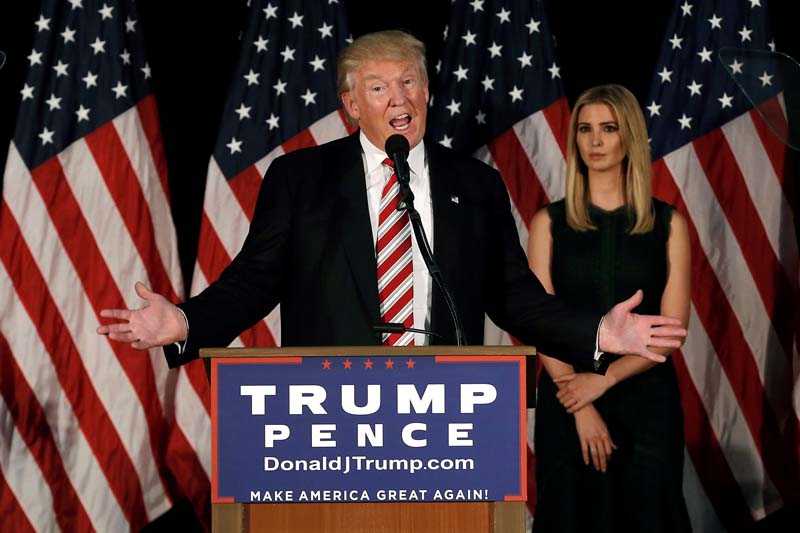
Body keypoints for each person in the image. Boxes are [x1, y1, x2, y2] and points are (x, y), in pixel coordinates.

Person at [97, 31, 685, 373]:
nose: (398, 98)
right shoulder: (300, 179)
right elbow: (254, 280)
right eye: (378, 88)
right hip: (329, 416)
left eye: (409, 82)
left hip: (444, 414)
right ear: (351, 105)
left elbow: (514, 297)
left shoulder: (475, 185)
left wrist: (596, 335)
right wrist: (185, 321)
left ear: (428, 91)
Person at [527, 84, 691, 532]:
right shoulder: (548, 223)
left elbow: (673, 333)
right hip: (567, 394)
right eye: (584, 129)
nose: (595, 141)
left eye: (608, 128)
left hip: (645, 398)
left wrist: (605, 380)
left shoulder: (669, 224)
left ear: (629, 137)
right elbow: (540, 323)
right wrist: (581, 404)